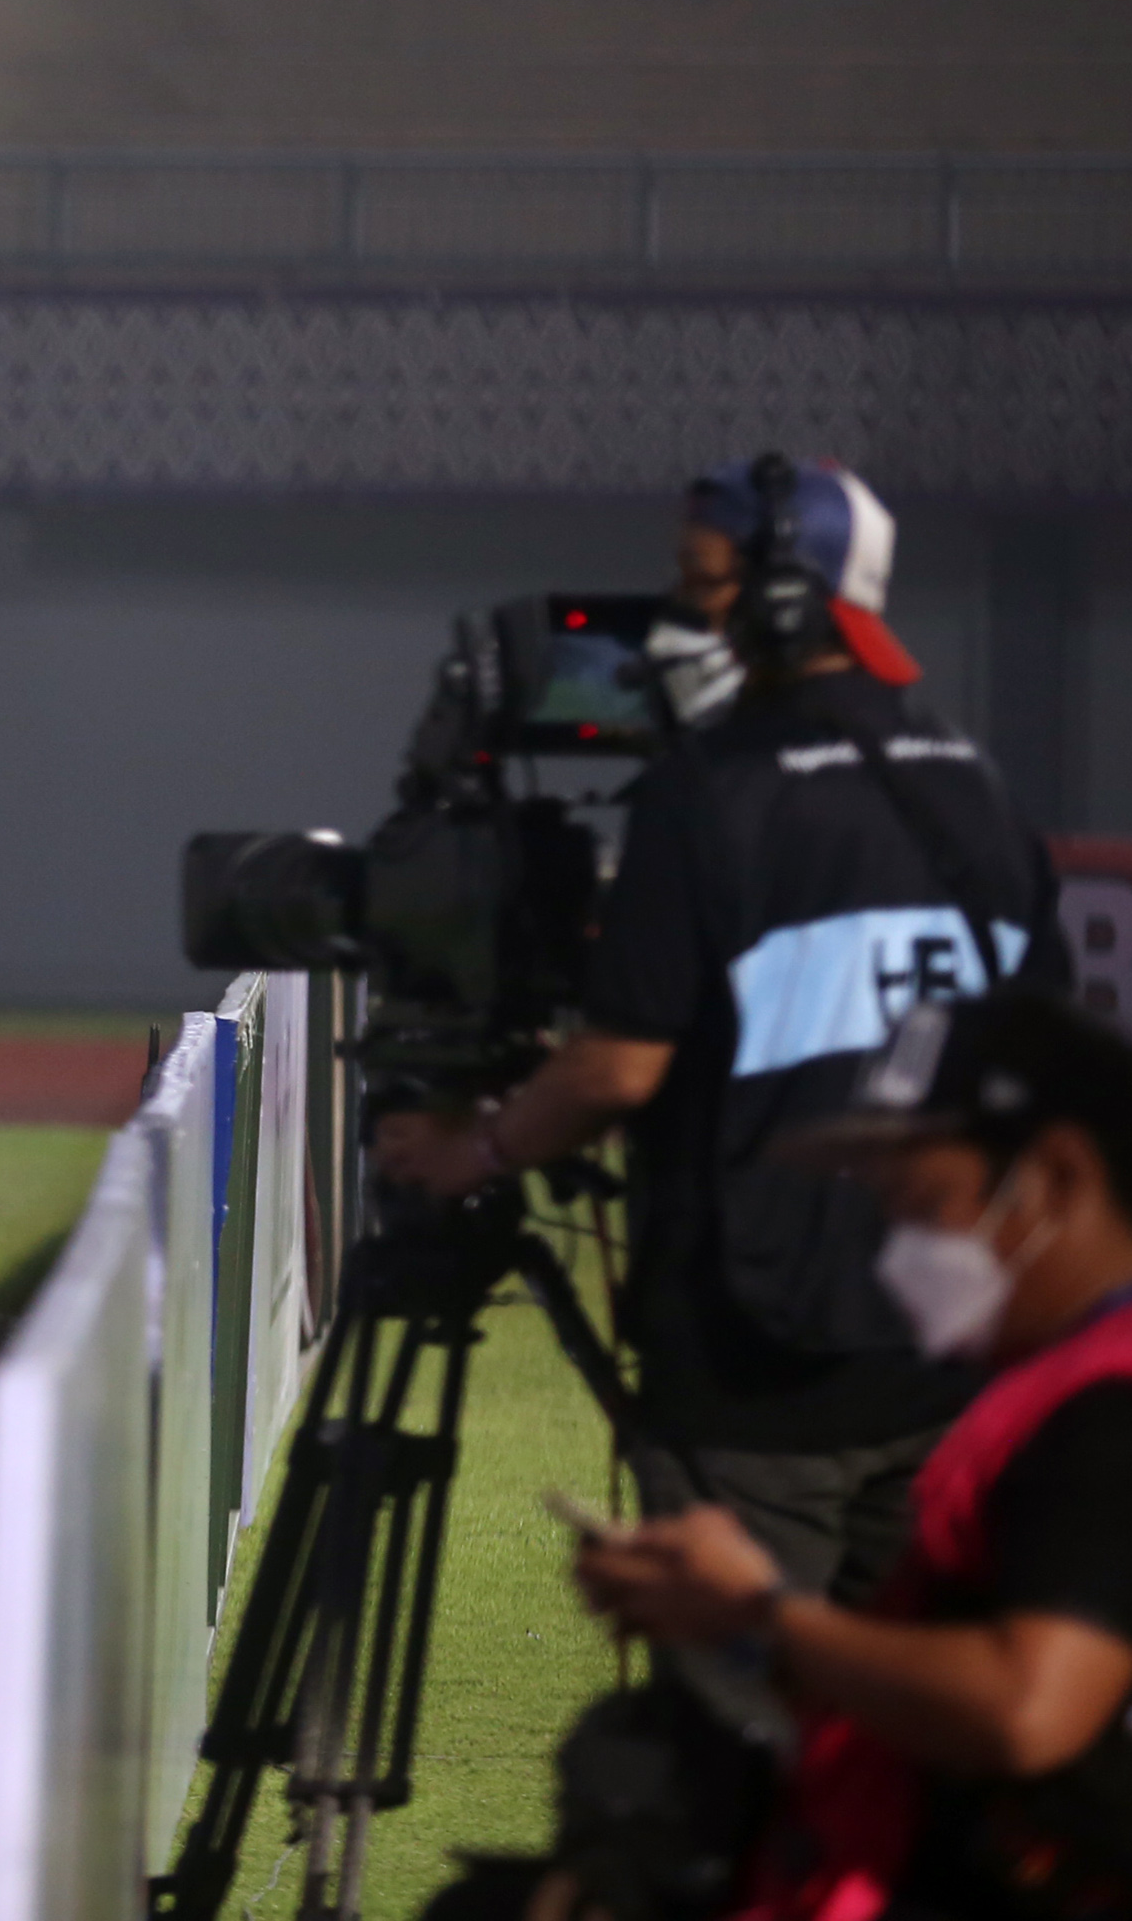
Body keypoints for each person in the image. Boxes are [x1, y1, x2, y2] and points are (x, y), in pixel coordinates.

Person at [380, 456, 1063, 1608]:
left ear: (785, 598)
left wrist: (479, 1147)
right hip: (956, 1360)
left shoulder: (709, 791)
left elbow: (616, 1065)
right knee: (901, 1750)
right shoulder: (978, 787)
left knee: (736, 1747)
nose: (676, 618)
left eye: (700, 583)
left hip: (758, 1376)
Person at [545, 991, 1132, 1921]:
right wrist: (741, 1632)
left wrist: (760, 1614)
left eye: (921, 1207)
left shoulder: (1122, 1408)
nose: (898, 1249)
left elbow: (1027, 1709)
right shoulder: (1096, 1375)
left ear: (1055, 1178)